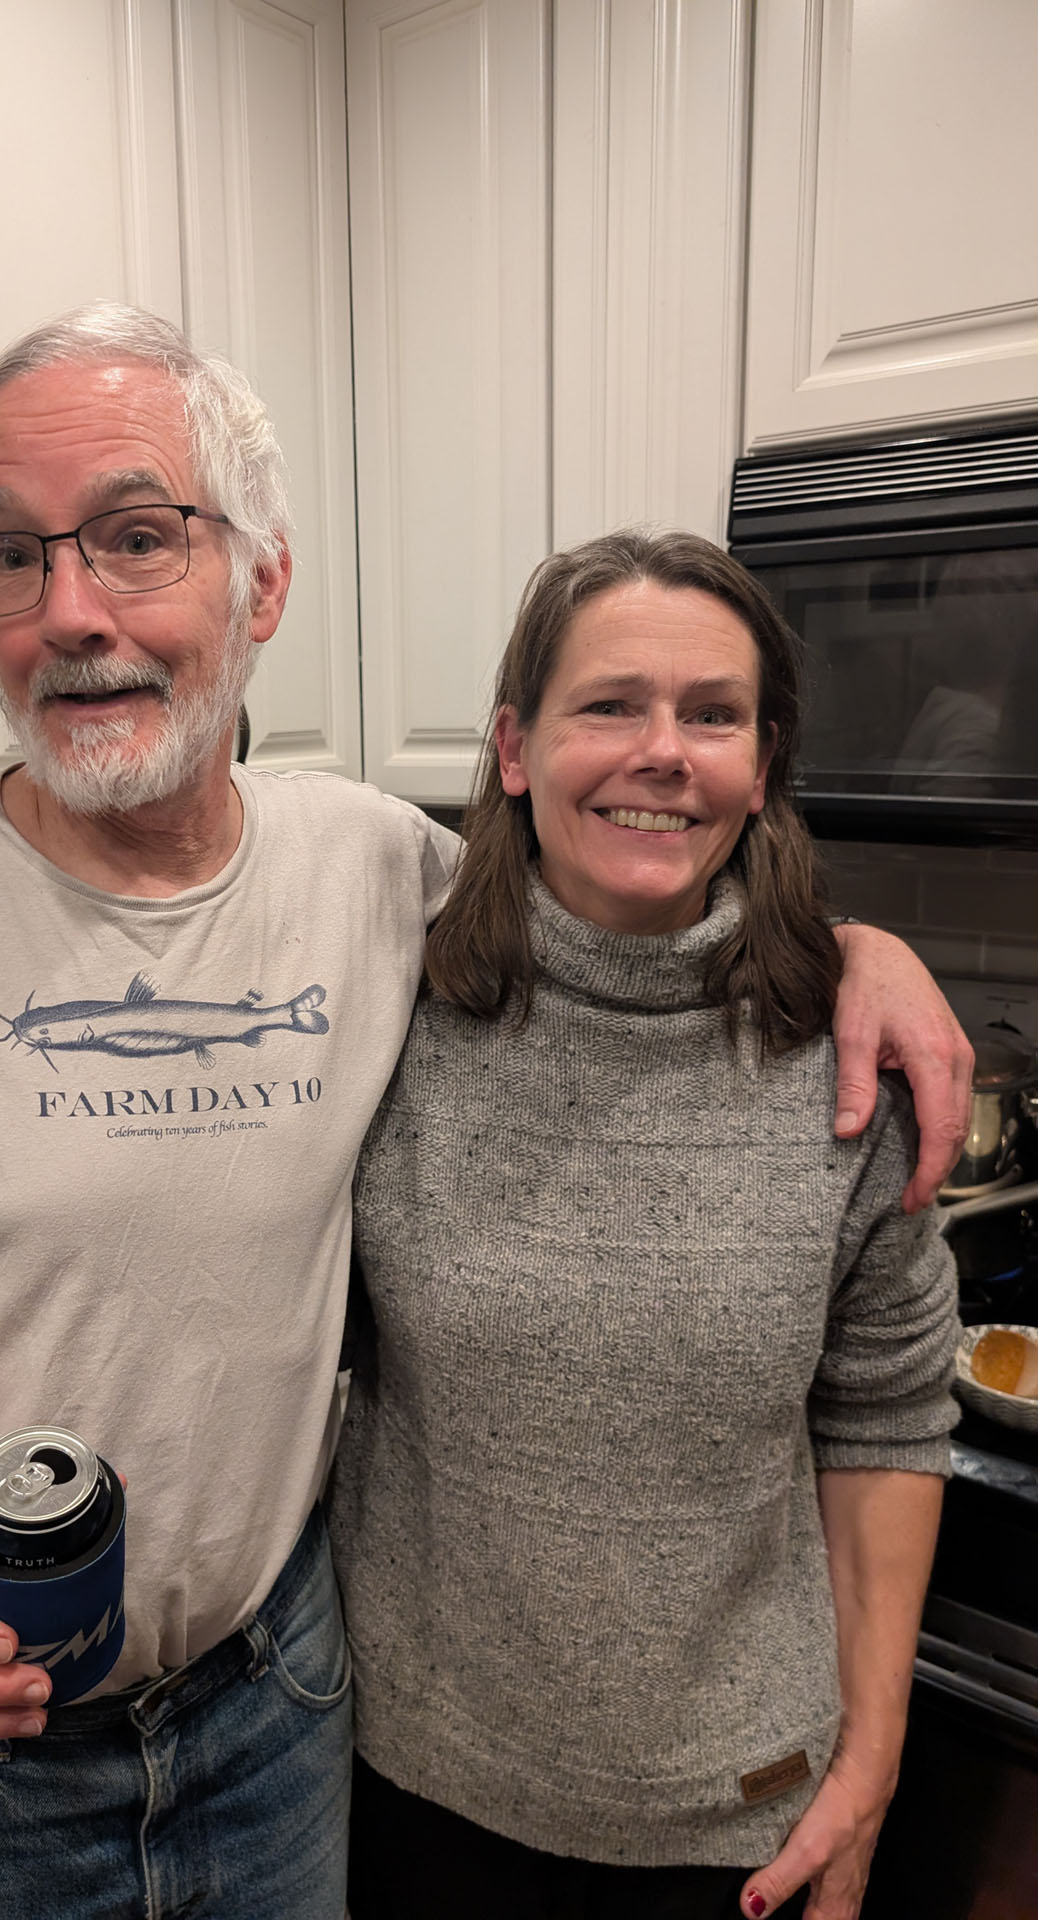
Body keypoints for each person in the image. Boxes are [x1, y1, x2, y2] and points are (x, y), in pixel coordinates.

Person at [0, 307, 967, 1920]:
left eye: (136, 538)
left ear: (262, 583)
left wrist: (849, 952)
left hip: (277, 1723)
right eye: (10, 556)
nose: (68, 613)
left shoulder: (371, 872)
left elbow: (631, 886)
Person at [328, 529, 961, 1920]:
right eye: (609, 704)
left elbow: (888, 1416)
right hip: (410, 1783)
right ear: (514, 747)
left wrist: (870, 1763)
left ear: (762, 761)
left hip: (739, 1813)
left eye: (712, 714)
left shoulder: (851, 1067)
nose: (662, 752)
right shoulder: (387, 1013)